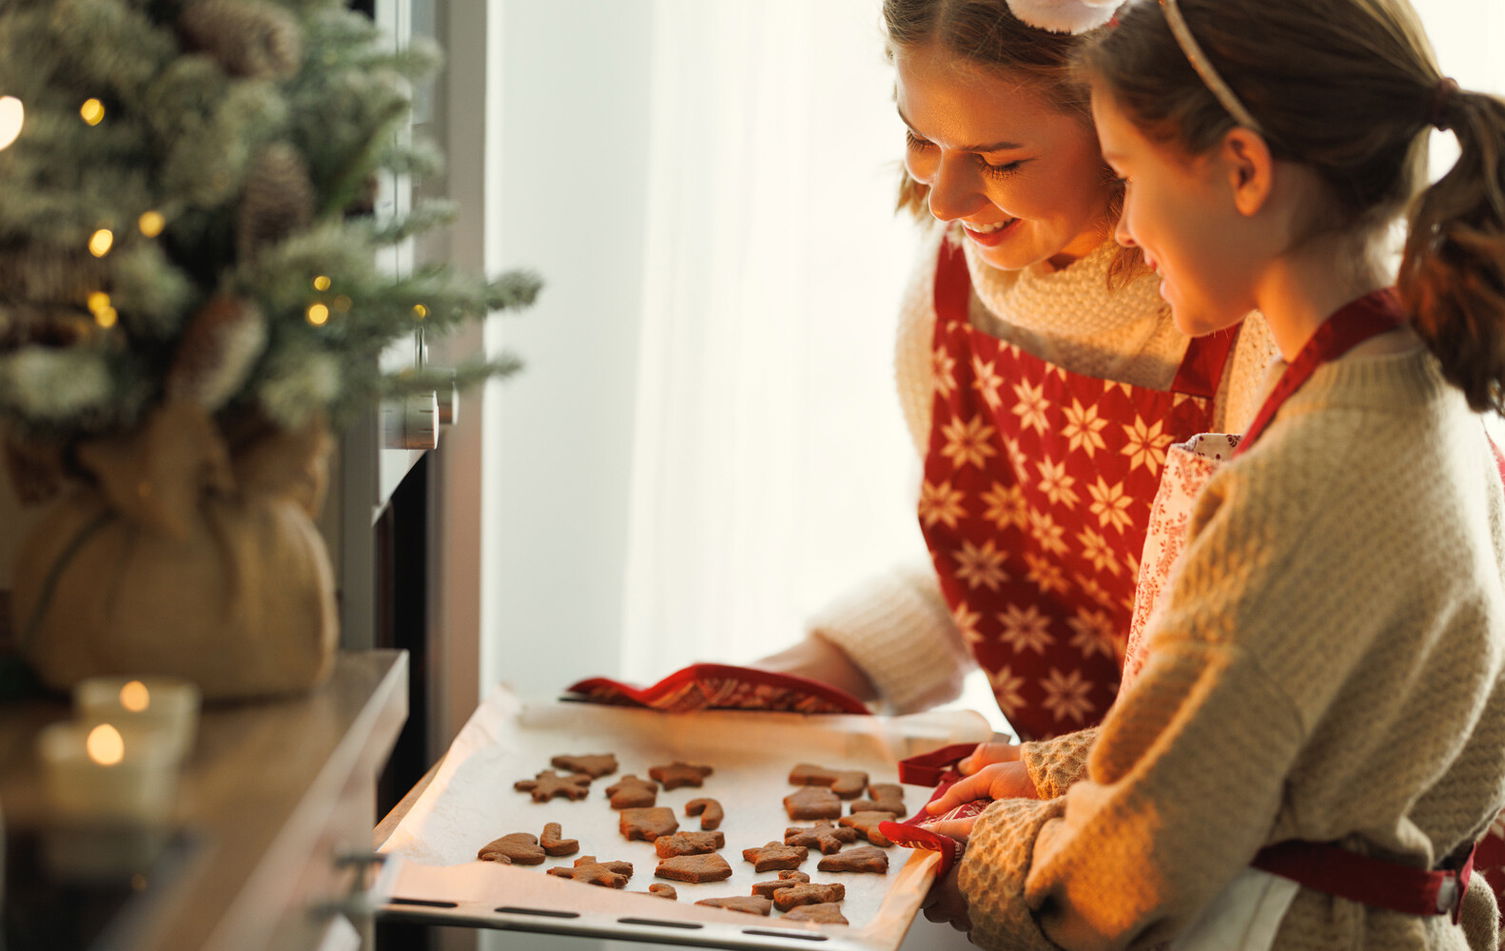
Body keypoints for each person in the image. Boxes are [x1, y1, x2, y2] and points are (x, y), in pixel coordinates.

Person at [917, 0, 1505, 947]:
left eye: (1127, 176)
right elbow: (1278, 733)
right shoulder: (1422, 384)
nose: (1126, 226)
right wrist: (1064, 771)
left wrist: (981, 859)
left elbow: (1128, 871)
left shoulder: (1304, 479)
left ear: (1241, 170)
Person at [754, 0, 1277, 744]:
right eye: (919, 138)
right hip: (1091, 790)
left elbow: (1275, 675)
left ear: (1129, 130)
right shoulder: (947, 283)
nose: (944, 200)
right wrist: (814, 666)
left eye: (1000, 161)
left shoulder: (1248, 321)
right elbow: (999, 568)